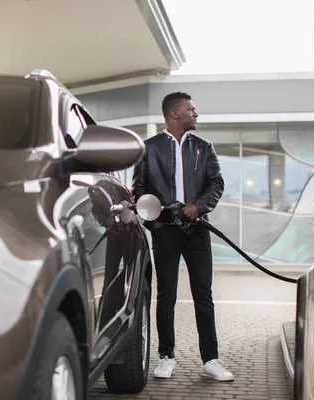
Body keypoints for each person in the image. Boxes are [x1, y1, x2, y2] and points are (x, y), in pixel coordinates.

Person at [132, 92, 234, 381]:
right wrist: (155, 224)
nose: (195, 113)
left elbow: (217, 182)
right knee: (166, 295)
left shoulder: (204, 147)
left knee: (204, 294)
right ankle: (166, 356)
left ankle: (211, 360)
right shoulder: (148, 149)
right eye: (191, 109)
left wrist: (198, 207)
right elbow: (138, 190)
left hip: (197, 230)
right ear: (175, 114)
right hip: (165, 232)